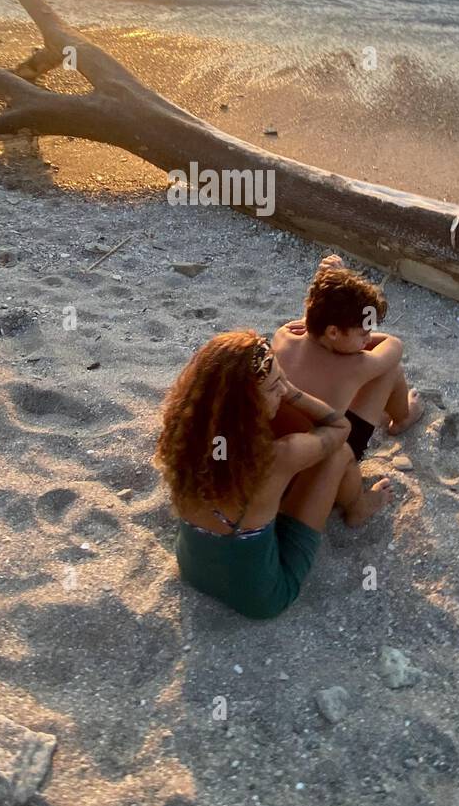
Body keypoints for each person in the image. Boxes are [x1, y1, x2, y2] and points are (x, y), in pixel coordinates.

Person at [155, 329, 393, 620]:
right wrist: (293, 392)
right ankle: (359, 507)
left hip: (192, 567)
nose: (280, 390)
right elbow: (339, 428)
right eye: (273, 387)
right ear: (245, 405)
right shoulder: (278, 456)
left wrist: (271, 381)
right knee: (339, 454)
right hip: (262, 598)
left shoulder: (184, 436)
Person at [273, 253, 422, 464]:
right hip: (325, 463)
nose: (368, 338)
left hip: (286, 450)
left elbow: (317, 322)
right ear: (333, 332)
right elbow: (395, 346)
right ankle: (402, 419)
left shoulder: (284, 335)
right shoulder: (356, 366)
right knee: (392, 370)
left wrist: (331, 284)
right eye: (364, 334)